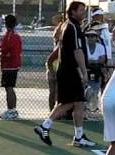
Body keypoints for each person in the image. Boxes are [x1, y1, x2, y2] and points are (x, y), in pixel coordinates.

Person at [34, 1, 95, 147]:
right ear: (73, 12)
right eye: (81, 10)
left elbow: (61, 49)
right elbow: (77, 51)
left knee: (78, 103)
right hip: (69, 71)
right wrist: (84, 71)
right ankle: (45, 126)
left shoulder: (69, 26)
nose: (83, 12)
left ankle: (79, 136)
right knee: (68, 103)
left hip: (68, 70)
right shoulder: (72, 27)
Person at [0, 15, 22, 120]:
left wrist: (0, 56)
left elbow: (6, 50)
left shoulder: (9, 35)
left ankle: (11, 111)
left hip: (9, 66)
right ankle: (12, 110)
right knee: (10, 88)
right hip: (13, 65)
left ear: (6, 23)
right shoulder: (15, 35)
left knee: (9, 88)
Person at [84, 28, 106, 120]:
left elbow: (102, 59)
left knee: (95, 91)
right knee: (85, 92)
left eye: (92, 36)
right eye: (88, 36)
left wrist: (93, 61)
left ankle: (94, 111)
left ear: (96, 37)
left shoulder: (100, 47)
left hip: (96, 72)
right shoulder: (84, 47)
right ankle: (85, 111)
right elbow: (84, 60)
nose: (90, 38)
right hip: (85, 72)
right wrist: (92, 61)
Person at [46, 15, 63, 111]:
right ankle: (51, 111)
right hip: (53, 69)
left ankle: (57, 112)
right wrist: (52, 72)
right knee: (53, 92)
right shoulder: (59, 47)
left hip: (61, 71)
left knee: (58, 93)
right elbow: (49, 60)